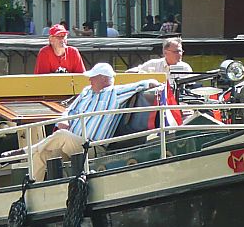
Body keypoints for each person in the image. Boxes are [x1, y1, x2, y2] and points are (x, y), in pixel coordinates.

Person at [29, 63, 160, 180]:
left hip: (91, 147)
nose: (89, 79)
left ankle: (28, 149)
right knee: (41, 154)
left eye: (93, 76)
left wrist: (154, 83)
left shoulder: (115, 93)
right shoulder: (86, 91)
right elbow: (69, 110)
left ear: (104, 78)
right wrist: (64, 121)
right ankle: (34, 191)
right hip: (71, 143)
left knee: (61, 135)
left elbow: (144, 84)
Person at [126, 37, 192, 76]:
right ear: (165, 52)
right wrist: (143, 74)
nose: (179, 54)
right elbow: (131, 72)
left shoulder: (185, 68)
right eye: (176, 52)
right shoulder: (153, 64)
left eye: (180, 51)